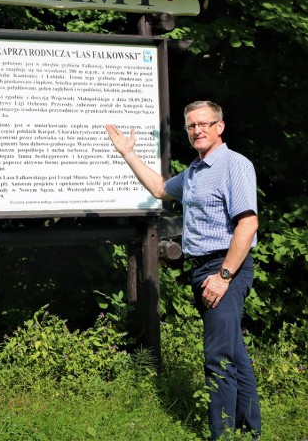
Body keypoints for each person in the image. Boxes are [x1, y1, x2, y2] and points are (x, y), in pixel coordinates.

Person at [105, 100, 261, 438]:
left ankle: (221, 434)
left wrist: (223, 277)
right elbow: (161, 188)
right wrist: (128, 154)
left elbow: (247, 225)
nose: (197, 130)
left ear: (220, 127)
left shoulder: (235, 165)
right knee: (233, 350)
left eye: (204, 124)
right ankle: (248, 431)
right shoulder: (193, 172)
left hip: (225, 267)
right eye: (192, 126)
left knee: (217, 355)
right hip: (203, 267)